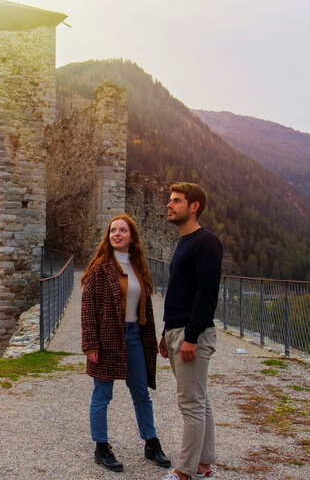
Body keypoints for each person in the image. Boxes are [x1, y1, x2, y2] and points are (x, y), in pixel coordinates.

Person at [82, 213, 172, 472]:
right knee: (102, 395)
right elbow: (88, 307)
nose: (117, 234)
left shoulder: (138, 266)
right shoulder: (100, 267)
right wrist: (91, 344)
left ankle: (151, 443)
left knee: (141, 393)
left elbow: (146, 307)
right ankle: (101, 447)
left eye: (122, 230)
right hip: (108, 337)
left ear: (132, 237)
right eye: (113, 231)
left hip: (135, 336)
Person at [159, 183, 223, 480]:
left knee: (191, 404)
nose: (169, 205)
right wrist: (166, 332)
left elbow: (207, 294)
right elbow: (179, 292)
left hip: (191, 333)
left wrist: (192, 336)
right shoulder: (185, 241)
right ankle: (203, 464)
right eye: (170, 200)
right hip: (177, 330)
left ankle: (183, 472)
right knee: (200, 399)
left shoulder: (206, 242)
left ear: (194, 206)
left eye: (176, 201)